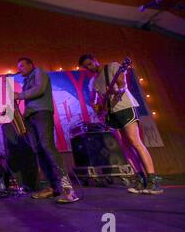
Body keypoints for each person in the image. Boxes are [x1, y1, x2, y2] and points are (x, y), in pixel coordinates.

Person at [78, 54, 163, 194]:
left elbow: (123, 86)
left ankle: (153, 179)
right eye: (86, 66)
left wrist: (117, 91)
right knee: (125, 148)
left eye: (90, 63)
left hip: (125, 108)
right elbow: (93, 100)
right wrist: (98, 106)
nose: (89, 67)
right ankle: (140, 179)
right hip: (111, 114)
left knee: (135, 142)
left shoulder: (112, 67)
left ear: (95, 60)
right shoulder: (93, 82)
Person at [14, 58, 79, 203]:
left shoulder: (39, 72)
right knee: (39, 150)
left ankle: (68, 190)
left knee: (47, 147)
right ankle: (53, 187)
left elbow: (39, 89)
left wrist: (19, 95)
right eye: (18, 67)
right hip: (31, 116)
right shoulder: (27, 79)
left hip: (42, 113)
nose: (20, 69)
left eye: (22, 66)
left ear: (31, 65)